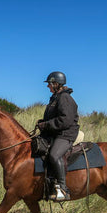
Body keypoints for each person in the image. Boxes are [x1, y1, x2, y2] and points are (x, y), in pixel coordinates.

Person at [36, 71, 79, 201]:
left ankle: (63, 189)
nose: (47, 86)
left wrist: (46, 125)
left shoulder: (64, 98)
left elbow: (65, 120)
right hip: (56, 132)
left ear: (56, 84)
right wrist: (42, 123)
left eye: (49, 83)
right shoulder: (55, 97)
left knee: (54, 155)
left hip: (66, 134)